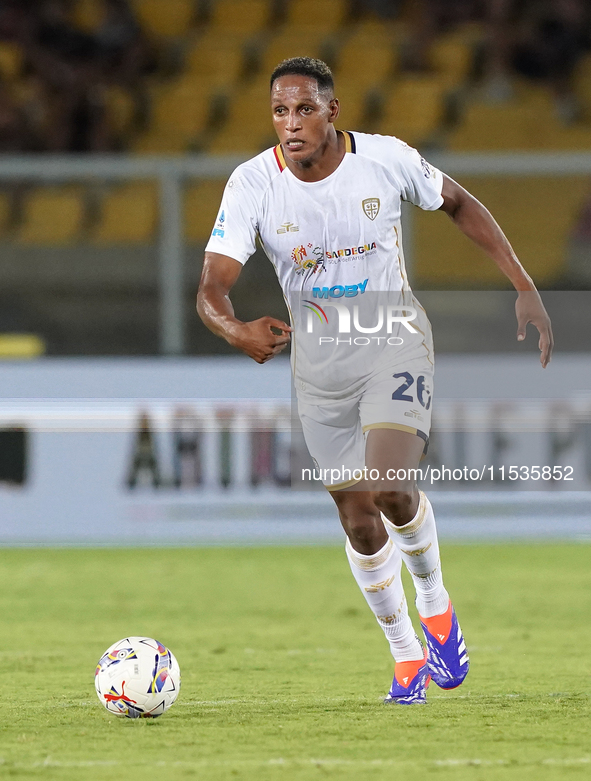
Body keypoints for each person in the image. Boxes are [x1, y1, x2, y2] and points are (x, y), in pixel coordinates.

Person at [197, 57, 553, 705]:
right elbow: (211, 288)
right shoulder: (252, 183)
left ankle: (435, 606)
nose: (290, 123)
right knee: (356, 517)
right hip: (319, 356)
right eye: (279, 111)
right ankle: (404, 653)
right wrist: (234, 329)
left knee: (390, 485)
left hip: (392, 334)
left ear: (332, 111)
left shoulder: (384, 159)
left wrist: (522, 283)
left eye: (304, 108)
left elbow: (457, 202)